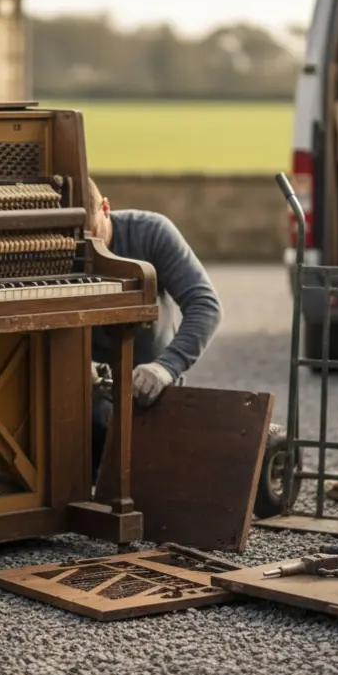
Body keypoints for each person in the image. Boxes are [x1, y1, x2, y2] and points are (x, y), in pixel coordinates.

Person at [85, 176, 222, 473]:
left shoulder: (151, 232)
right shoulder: (61, 247)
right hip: (83, 394)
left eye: (89, 232)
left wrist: (166, 367)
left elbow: (205, 305)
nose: (83, 248)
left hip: (149, 394)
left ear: (106, 208)